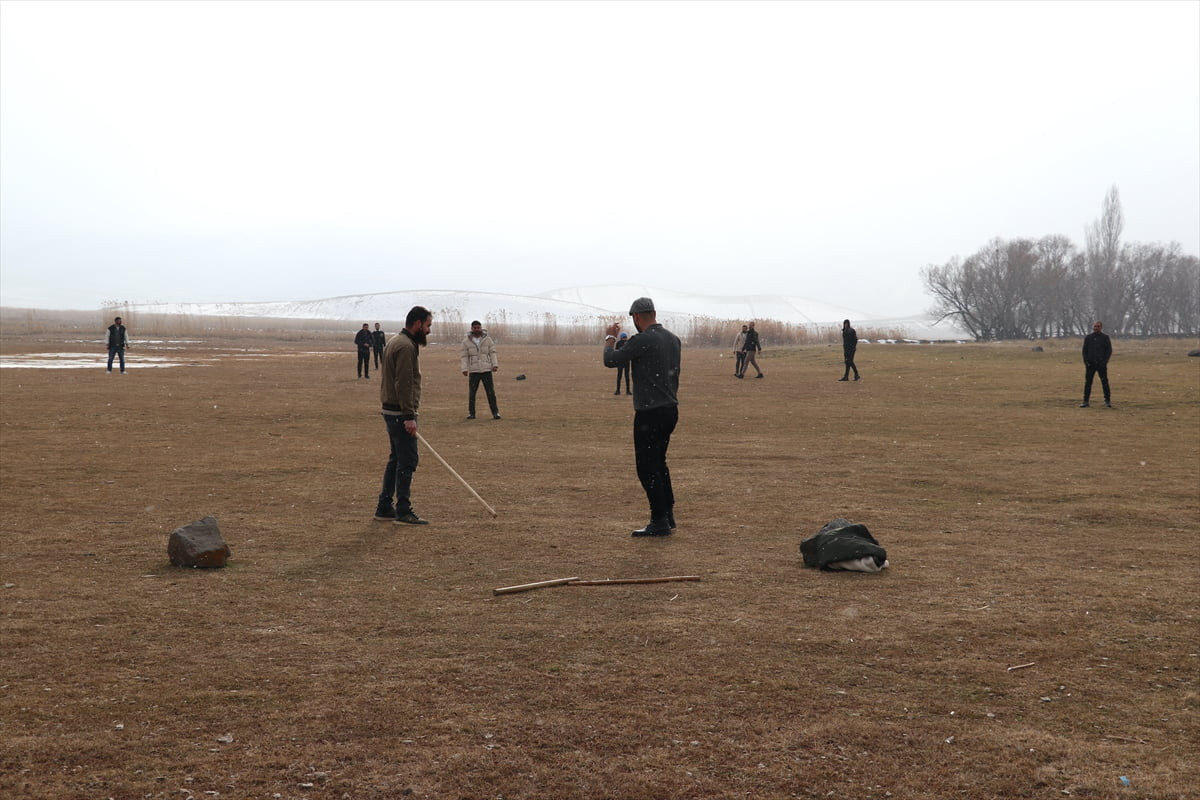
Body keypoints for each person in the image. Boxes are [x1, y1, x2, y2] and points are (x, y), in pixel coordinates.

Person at [603, 297, 682, 537]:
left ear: (636, 317)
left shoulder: (643, 340)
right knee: (659, 463)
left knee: (647, 467)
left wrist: (609, 339)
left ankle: (659, 520)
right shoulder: (673, 339)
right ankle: (667, 514)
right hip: (669, 409)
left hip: (650, 413)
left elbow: (611, 360)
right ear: (654, 313)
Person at [376, 306, 433, 525]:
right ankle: (403, 510)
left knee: (396, 459)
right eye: (427, 326)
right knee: (407, 461)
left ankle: (384, 506)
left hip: (391, 410)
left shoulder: (395, 341)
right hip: (400, 413)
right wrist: (409, 415)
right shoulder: (406, 346)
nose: (428, 331)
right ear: (417, 324)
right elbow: (404, 383)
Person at [460, 320, 501, 420]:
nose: (477, 329)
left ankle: (495, 413)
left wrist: (495, 364)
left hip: (486, 370)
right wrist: (464, 369)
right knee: (472, 393)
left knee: (491, 393)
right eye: (475, 328)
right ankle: (472, 413)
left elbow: (492, 353)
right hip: (474, 371)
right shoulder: (466, 341)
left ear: (481, 328)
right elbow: (464, 356)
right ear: (471, 328)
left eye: (478, 327)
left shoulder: (488, 339)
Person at [1080, 320, 1113, 408]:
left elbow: (1109, 351)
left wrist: (1104, 362)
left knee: (1104, 382)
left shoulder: (1105, 337)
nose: (1096, 328)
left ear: (1101, 327)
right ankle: (1085, 401)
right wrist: (1086, 362)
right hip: (1090, 365)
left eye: (1098, 326)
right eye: (1095, 326)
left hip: (1101, 364)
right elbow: (1084, 351)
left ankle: (1107, 401)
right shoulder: (1088, 337)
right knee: (1088, 383)